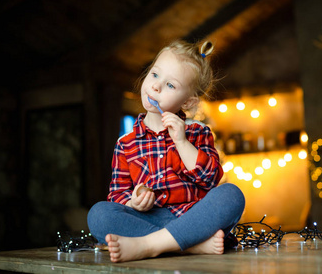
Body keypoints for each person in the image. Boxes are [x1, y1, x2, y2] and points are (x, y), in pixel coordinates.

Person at [87, 39, 245, 263]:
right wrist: (134, 202)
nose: (156, 86)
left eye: (171, 85)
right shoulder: (126, 143)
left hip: (193, 216)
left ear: (188, 102)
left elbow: (211, 180)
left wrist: (181, 142)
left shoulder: (198, 132)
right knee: (98, 215)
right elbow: (116, 195)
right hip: (148, 218)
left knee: (232, 195)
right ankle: (190, 246)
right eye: (154, 75)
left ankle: (149, 245)